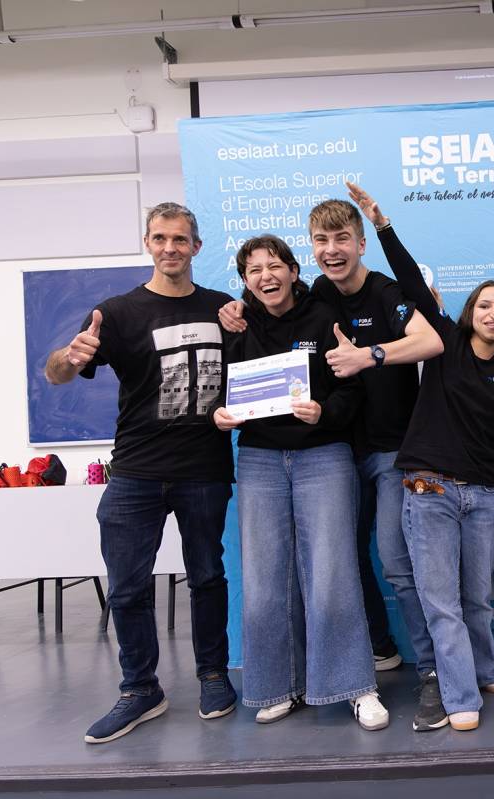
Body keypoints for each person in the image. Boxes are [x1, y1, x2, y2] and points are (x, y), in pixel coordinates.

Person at [345, 183, 494, 732]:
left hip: (487, 495)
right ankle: (459, 695)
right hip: (430, 489)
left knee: (475, 597)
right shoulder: (445, 342)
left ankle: (487, 667)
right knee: (441, 600)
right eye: (486, 304)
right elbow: (406, 280)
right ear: (470, 311)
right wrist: (380, 224)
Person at [219, 197, 446, 729]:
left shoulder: (384, 290)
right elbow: (262, 300)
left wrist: (371, 354)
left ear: (360, 242)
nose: (332, 250)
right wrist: (232, 306)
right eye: (322, 242)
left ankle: (434, 672)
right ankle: (379, 649)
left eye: (342, 239)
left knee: (391, 560)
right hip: (339, 448)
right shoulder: (313, 295)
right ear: (311, 253)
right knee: (337, 561)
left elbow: (433, 338)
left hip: (389, 448)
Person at [46, 202, 237, 744]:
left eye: (181, 239)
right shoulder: (117, 312)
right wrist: (70, 354)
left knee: (208, 578)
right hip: (135, 472)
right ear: (148, 243)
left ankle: (213, 675)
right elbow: (58, 374)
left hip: (204, 468)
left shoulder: (223, 308)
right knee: (128, 588)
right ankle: (139, 689)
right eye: (160, 238)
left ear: (197, 247)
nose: (170, 248)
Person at [212, 235, 387, 730]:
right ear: (245, 281)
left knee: (332, 574)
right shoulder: (238, 325)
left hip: (324, 455)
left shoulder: (322, 316)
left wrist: (325, 412)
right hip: (260, 460)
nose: (265, 276)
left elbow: (353, 389)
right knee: (264, 579)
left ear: (292, 270)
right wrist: (218, 415)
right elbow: (219, 389)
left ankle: (356, 686)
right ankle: (276, 686)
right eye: (254, 270)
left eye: (274, 266)